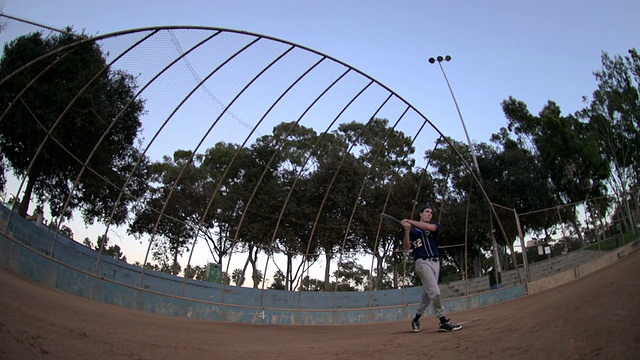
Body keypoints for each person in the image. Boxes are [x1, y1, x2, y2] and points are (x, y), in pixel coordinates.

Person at [402, 205, 462, 333]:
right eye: (427, 212)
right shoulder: (413, 231)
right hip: (422, 263)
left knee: (427, 296)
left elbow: (429, 228)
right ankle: (443, 321)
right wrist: (407, 231)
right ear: (421, 214)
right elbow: (407, 247)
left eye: (431, 213)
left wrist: (410, 221)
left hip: (435, 262)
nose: (429, 214)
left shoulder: (435, 226)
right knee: (435, 291)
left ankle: (416, 319)